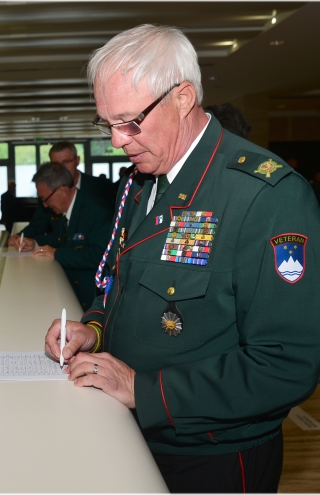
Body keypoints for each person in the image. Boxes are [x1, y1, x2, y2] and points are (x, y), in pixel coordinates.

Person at [45, 24, 320, 493]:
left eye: (129, 121)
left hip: (211, 455)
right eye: (106, 123)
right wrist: (91, 330)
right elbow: (117, 280)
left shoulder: (264, 196)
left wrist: (145, 391)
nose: (116, 141)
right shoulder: (140, 183)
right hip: (134, 433)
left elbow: (286, 364)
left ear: (183, 97)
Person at [17, 162, 111, 309]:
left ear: (61, 190)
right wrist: (34, 242)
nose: (45, 205)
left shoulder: (96, 211)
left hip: (92, 300)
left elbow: (97, 255)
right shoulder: (68, 210)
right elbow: (60, 238)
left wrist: (57, 253)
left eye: (45, 199)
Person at [8, 141, 110, 249]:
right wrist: (20, 236)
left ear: (77, 160)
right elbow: (39, 225)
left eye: (66, 162)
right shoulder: (47, 194)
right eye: (55, 164)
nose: (61, 168)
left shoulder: (101, 187)